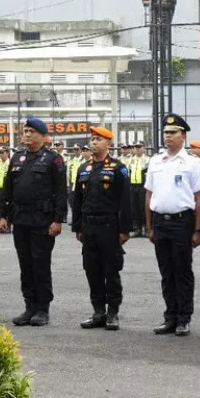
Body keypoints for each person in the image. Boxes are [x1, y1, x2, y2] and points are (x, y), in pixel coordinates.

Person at [0, 118, 69, 326]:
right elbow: (6, 189)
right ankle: (29, 306)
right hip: (21, 219)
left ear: (43, 136)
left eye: (32, 131)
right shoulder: (17, 158)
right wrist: (3, 215)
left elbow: (61, 193)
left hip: (42, 220)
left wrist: (57, 220)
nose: (27, 134)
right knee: (25, 265)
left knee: (40, 265)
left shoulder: (53, 159)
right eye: (25, 131)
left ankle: (42, 309)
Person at [144, 114, 200, 337]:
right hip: (161, 222)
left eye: (173, 133)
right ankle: (170, 316)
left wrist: (199, 230)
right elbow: (149, 194)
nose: (168, 137)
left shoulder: (192, 162)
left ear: (183, 136)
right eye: (165, 133)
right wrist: (149, 225)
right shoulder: (155, 161)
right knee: (166, 272)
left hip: (182, 222)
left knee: (182, 271)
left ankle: (184, 318)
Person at [71, 126, 132, 331]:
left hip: (109, 225)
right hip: (89, 226)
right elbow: (77, 200)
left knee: (111, 269)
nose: (94, 142)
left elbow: (125, 200)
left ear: (108, 144)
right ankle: (98, 311)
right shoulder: (83, 168)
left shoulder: (117, 167)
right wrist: (77, 226)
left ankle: (113, 312)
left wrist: (124, 229)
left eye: (99, 139)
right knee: (92, 269)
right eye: (92, 139)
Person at [128, 142, 148, 238]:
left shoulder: (148, 159)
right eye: (136, 147)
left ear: (144, 148)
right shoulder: (131, 159)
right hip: (133, 185)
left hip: (143, 186)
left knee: (143, 207)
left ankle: (147, 228)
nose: (137, 149)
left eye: (139, 147)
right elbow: (129, 172)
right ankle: (137, 229)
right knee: (134, 207)